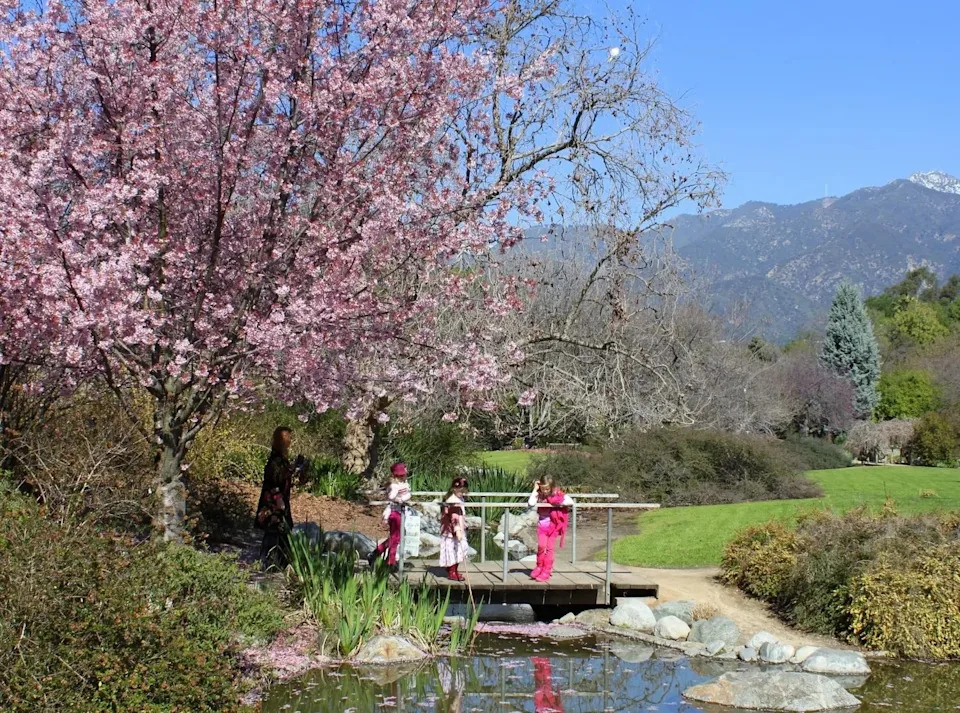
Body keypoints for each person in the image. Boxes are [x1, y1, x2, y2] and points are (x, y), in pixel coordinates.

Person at [254, 426, 306, 568]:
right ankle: (267, 561)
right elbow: (273, 481)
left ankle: (280, 563)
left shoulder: (281, 460)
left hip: (280, 500)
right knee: (275, 530)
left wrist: (296, 467)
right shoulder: (275, 460)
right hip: (274, 502)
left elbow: (284, 475)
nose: (290, 440)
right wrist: (278, 499)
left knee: (282, 531)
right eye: (288, 437)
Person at [528, 475, 572, 582]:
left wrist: (555, 502)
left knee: (549, 548)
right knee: (541, 546)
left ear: (552, 487)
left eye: (547, 489)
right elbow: (531, 503)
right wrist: (535, 490)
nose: (546, 491)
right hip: (542, 526)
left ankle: (547, 570)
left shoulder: (557, 494)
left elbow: (570, 501)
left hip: (553, 526)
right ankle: (539, 566)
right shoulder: (539, 495)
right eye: (543, 489)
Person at [367, 462, 411, 571]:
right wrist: (401, 499)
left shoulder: (403, 484)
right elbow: (391, 497)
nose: (404, 476)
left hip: (400, 512)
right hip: (394, 513)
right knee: (395, 538)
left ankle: (380, 555)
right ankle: (388, 560)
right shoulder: (394, 485)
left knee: (396, 537)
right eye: (401, 475)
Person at [439, 476, 469, 581]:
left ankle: (454, 569)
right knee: (452, 550)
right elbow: (454, 517)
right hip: (451, 529)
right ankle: (452, 571)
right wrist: (457, 530)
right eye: (461, 490)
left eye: (464, 491)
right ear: (454, 489)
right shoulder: (452, 500)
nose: (463, 493)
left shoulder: (459, 498)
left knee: (460, 549)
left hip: (459, 527)